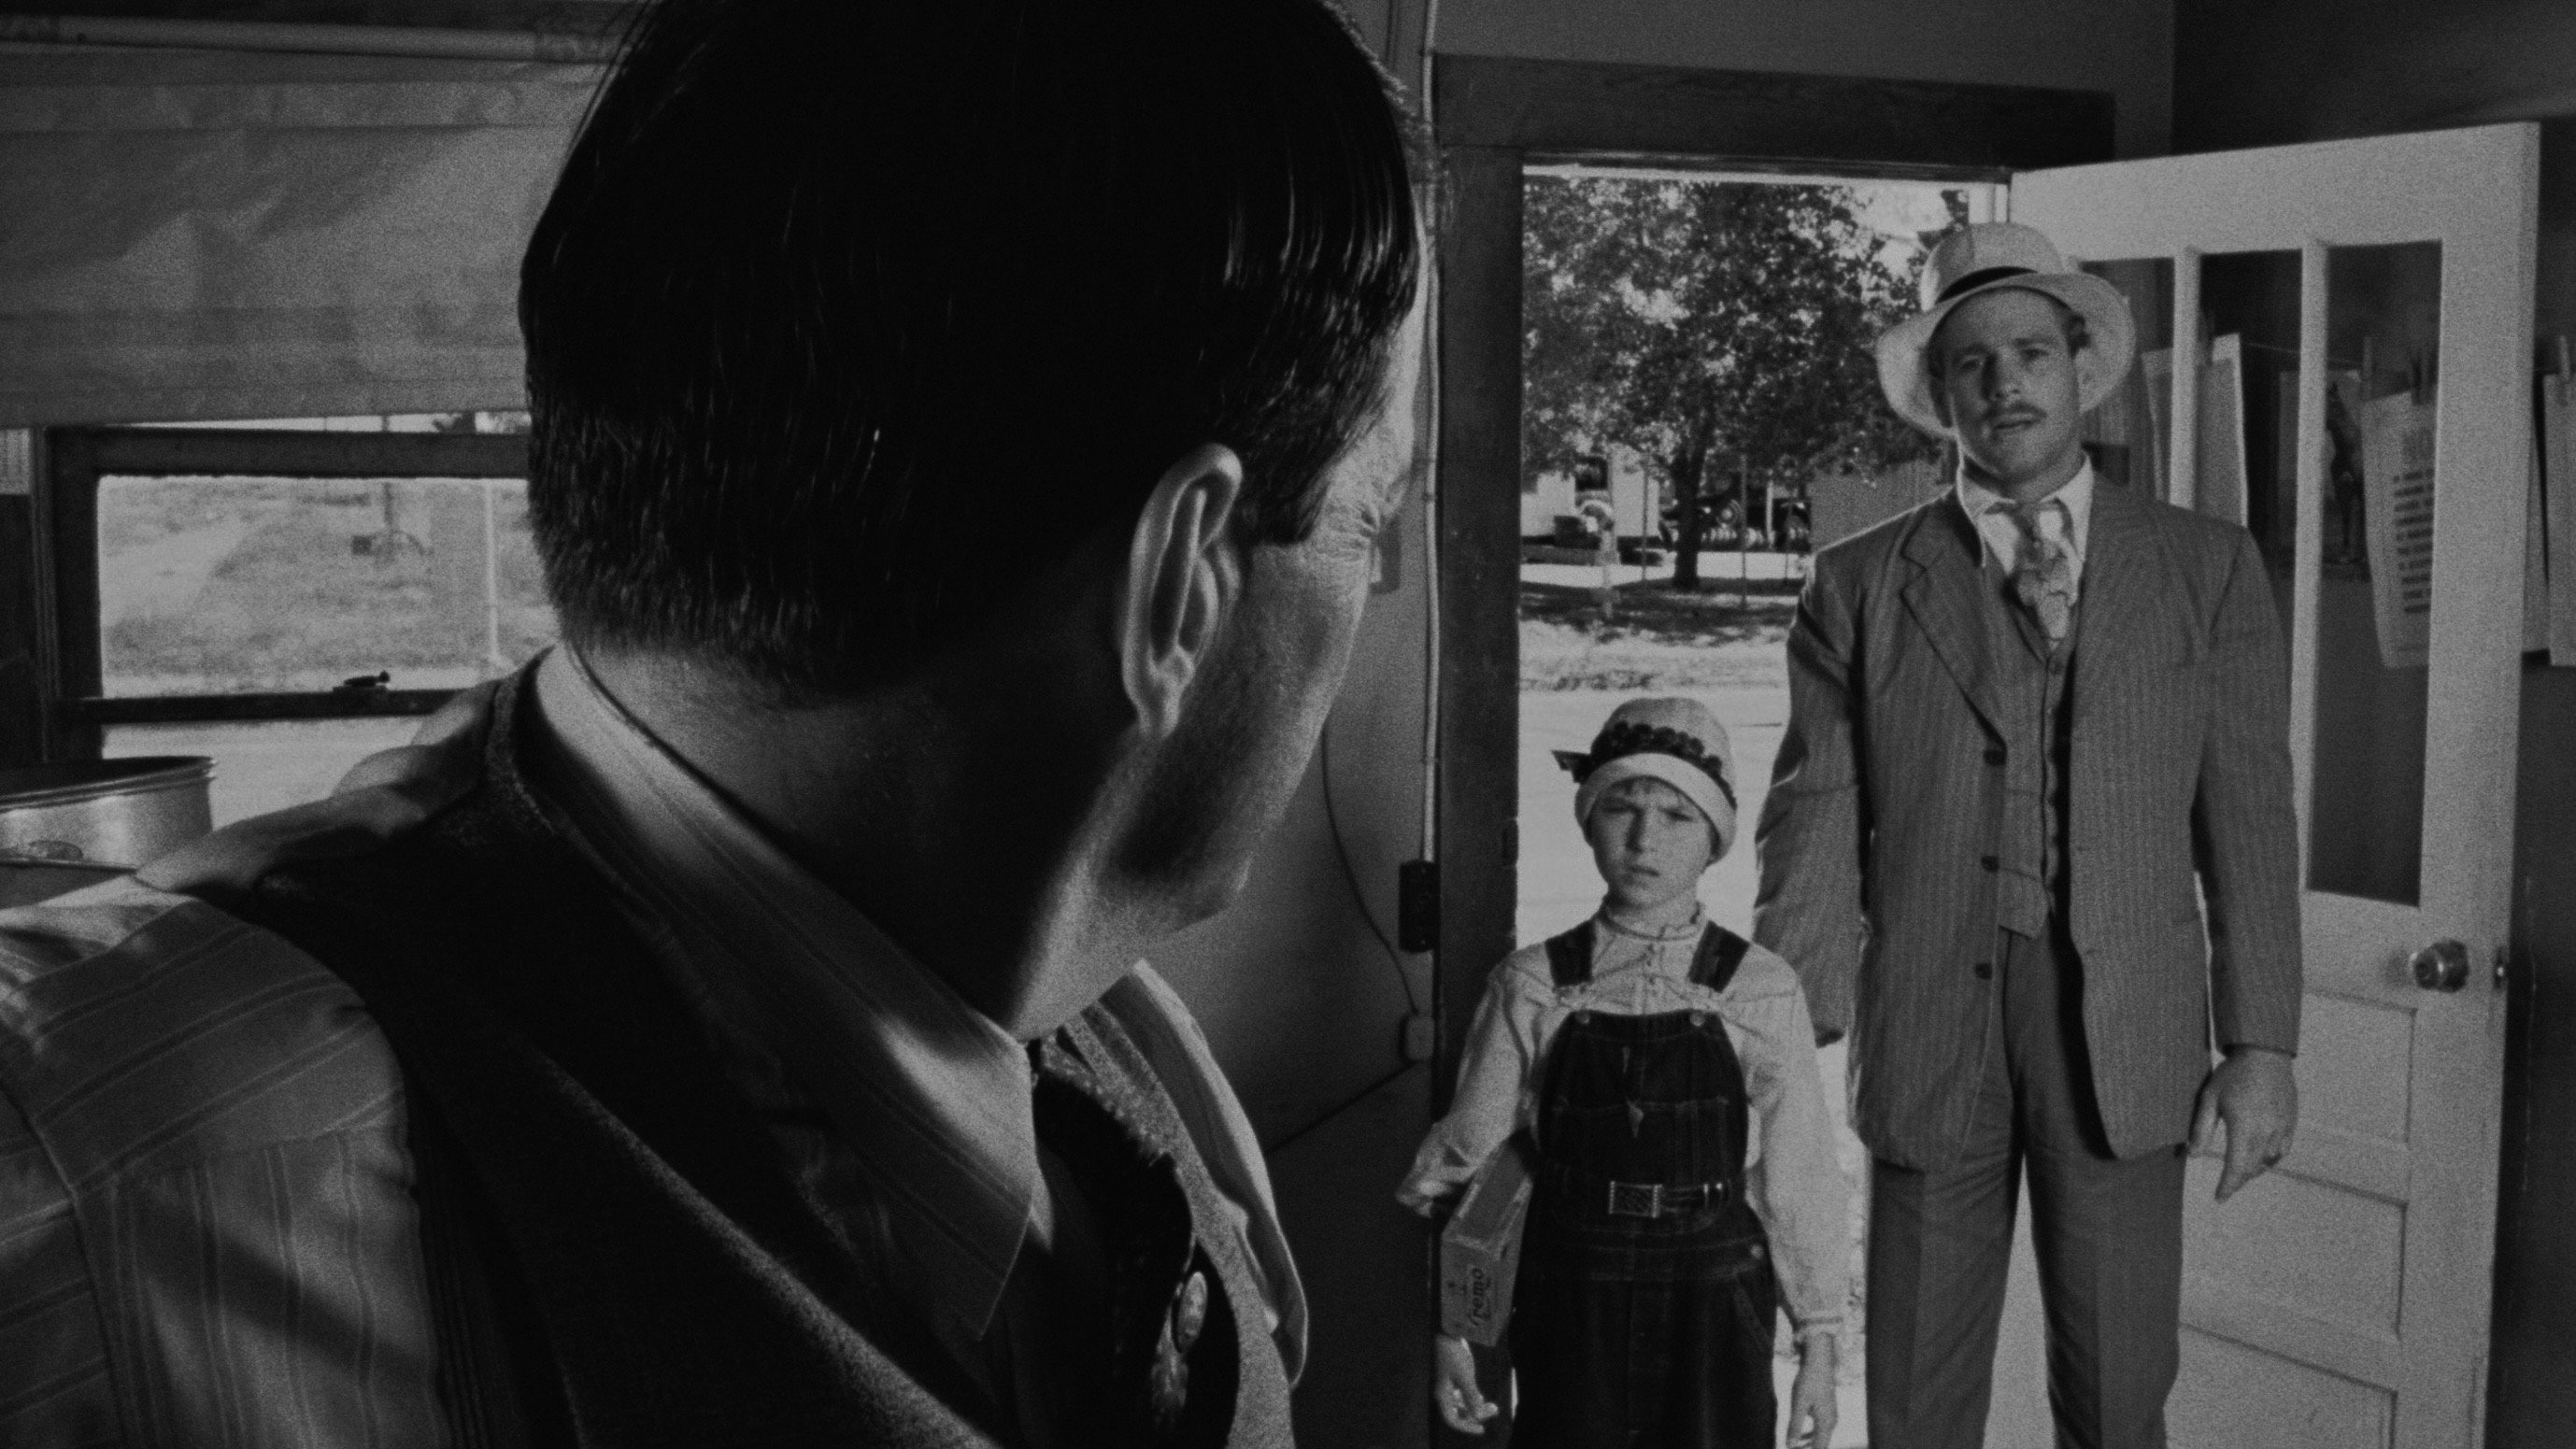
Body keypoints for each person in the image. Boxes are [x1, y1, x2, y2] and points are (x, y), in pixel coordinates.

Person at [0, 0, 1422, 1443]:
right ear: (1181, 583)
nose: (1368, 590)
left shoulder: (1138, 1075)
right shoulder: (87, 1188)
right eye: (1371, 519)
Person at [1752, 221, 2302, 1449]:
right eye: (1973, 363)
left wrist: (2261, 1041)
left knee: (2117, 1391)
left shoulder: (2205, 567)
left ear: (2079, 366)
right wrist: (1774, 1030)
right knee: (1915, 1395)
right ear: (1942, 393)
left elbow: (2251, 819)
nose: (2005, 384)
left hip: (2126, 1028)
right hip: (1929, 1018)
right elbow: (1814, 816)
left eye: (2031, 353)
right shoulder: (1858, 581)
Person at [1400, 698, 1848, 1449]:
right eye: (1620, 808)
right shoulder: (1532, 984)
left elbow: (1799, 1178)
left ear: (1714, 838)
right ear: (1587, 822)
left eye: (1676, 815)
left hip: (1715, 1287)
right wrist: (1453, 1330)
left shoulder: (1760, 989)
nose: (1644, 839)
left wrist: (1819, 1342)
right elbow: (1471, 1161)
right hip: (1573, 1285)